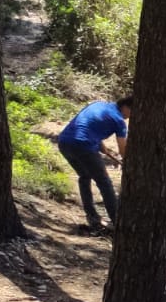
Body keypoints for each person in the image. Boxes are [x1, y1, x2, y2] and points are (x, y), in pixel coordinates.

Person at [56, 96, 131, 234]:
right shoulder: (119, 121)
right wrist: (131, 165)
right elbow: (123, 150)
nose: (130, 117)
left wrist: (104, 148)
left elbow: (89, 125)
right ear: (126, 107)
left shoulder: (98, 104)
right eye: (132, 112)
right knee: (104, 182)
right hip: (83, 146)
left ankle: (92, 217)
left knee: (84, 176)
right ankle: (118, 222)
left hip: (64, 142)